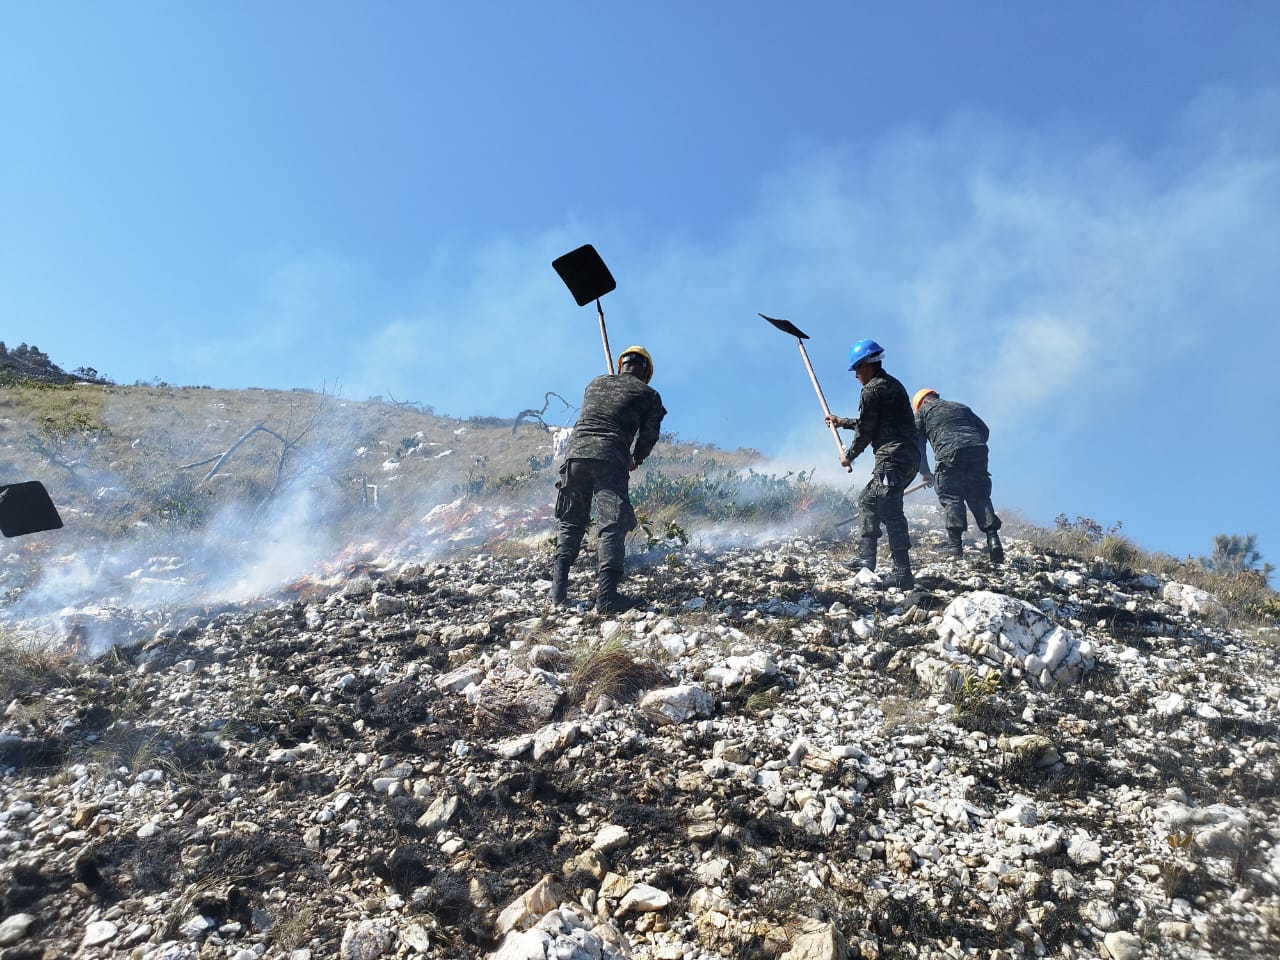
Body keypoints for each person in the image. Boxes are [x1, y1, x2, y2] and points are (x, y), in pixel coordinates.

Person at [551, 346, 667, 613]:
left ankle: (557, 592)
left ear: (621, 365)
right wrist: (635, 457)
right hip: (609, 459)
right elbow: (649, 435)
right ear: (646, 371)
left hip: (575, 456)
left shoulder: (595, 384)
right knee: (612, 524)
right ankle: (607, 597)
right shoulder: (649, 394)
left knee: (571, 521)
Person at [825, 339, 919, 589]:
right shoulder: (892, 385)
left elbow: (867, 430)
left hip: (892, 459)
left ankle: (903, 574)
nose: (856, 375)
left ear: (868, 364)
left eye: (857, 368)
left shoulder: (871, 390)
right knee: (868, 499)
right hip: (907, 458)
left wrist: (849, 455)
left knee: (889, 508)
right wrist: (841, 422)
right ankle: (867, 559)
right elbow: (876, 423)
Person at [913, 388, 1004, 563]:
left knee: (951, 495)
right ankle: (993, 540)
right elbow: (984, 430)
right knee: (979, 496)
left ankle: (955, 547)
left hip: (950, 454)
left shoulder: (923, 412)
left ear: (922, 403)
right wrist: (971, 448)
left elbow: (917, 443)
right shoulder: (960, 406)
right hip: (977, 450)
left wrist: (924, 471)